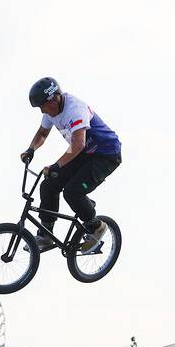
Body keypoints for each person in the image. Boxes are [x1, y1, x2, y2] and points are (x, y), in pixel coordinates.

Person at [21, 77, 122, 252]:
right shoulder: (50, 111)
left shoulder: (75, 109)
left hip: (105, 155)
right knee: (48, 185)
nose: (42, 111)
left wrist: (56, 166)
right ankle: (45, 235)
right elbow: (42, 134)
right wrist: (31, 149)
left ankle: (96, 226)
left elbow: (78, 144)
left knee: (73, 191)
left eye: (43, 106)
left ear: (55, 99)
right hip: (84, 153)